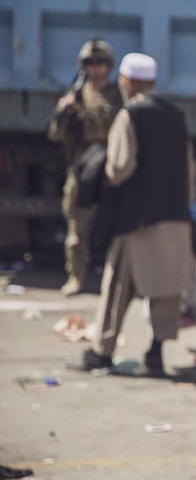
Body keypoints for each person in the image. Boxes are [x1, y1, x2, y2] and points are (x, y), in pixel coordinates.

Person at [67, 52, 195, 375]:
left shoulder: (131, 115)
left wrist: (103, 177)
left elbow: (120, 168)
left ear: (129, 82)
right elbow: (189, 169)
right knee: (166, 289)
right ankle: (155, 354)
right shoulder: (177, 115)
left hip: (137, 218)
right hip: (174, 216)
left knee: (117, 285)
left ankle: (103, 351)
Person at [48, 39, 124, 296]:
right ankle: (76, 277)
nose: (95, 68)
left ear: (109, 66)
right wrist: (64, 112)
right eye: (90, 63)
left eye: (100, 62)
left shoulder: (119, 96)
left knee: (117, 227)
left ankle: (116, 279)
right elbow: (56, 134)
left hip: (112, 167)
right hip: (83, 168)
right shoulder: (76, 96)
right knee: (77, 227)